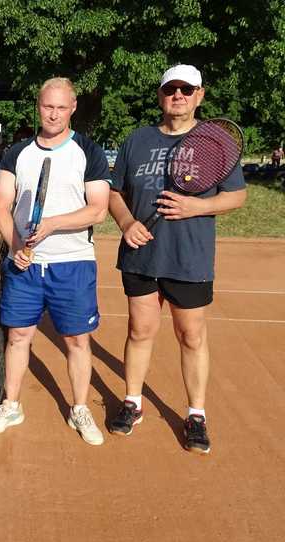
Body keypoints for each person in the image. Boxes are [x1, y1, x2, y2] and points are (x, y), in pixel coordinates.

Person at [108, 64, 246, 454]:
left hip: (189, 257)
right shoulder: (137, 140)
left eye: (188, 89)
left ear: (200, 95)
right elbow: (116, 192)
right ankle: (132, 402)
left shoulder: (216, 141)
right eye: (172, 89)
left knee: (191, 335)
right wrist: (127, 222)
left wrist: (194, 207)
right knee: (139, 330)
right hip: (141, 255)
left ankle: (196, 414)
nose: (179, 95)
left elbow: (236, 196)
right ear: (161, 95)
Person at [0, 77, 111, 446]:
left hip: (72, 264)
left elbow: (99, 211)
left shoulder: (88, 152)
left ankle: (79, 408)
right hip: (25, 266)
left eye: (61, 107)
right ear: (38, 106)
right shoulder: (18, 153)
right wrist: (16, 247)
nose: (54, 113)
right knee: (18, 336)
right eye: (48, 106)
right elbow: (1, 205)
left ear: (72, 108)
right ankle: (11, 404)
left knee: (76, 340)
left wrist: (53, 224)